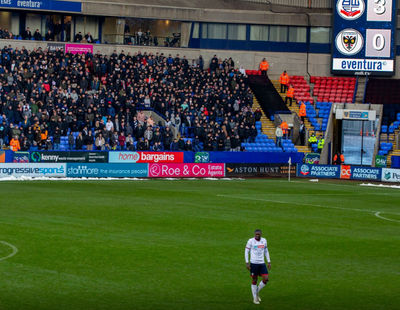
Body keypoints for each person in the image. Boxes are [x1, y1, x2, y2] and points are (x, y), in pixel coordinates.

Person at [245, 229, 271, 305]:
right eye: (256, 234)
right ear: (254, 234)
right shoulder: (250, 241)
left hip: (262, 263)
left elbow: (266, 251)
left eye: (258, 234)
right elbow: (246, 251)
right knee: (254, 280)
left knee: (266, 279)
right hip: (253, 263)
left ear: (261, 234)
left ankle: (256, 292)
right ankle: (255, 298)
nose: (257, 235)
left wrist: (269, 261)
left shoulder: (264, 241)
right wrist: (247, 262)